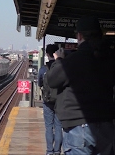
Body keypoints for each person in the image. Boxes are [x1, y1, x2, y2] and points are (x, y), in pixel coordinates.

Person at [46, 16, 115, 155]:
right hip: (107, 125)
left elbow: (52, 80)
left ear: (79, 36)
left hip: (78, 126)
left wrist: (58, 60)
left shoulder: (73, 61)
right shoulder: (110, 59)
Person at [38, 44, 63, 155]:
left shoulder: (43, 69)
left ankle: (49, 151)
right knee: (58, 127)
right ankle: (57, 151)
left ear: (47, 55)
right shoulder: (61, 67)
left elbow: (39, 83)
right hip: (59, 101)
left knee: (49, 127)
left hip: (47, 101)